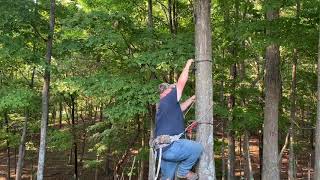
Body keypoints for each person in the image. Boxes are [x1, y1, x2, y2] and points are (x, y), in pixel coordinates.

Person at [155, 59, 203, 180]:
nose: (173, 89)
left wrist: (191, 100)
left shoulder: (164, 104)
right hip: (171, 147)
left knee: (167, 178)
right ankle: (183, 172)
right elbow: (181, 83)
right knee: (197, 148)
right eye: (171, 88)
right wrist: (187, 65)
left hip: (162, 150)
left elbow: (179, 108)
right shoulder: (168, 97)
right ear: (167, 90)